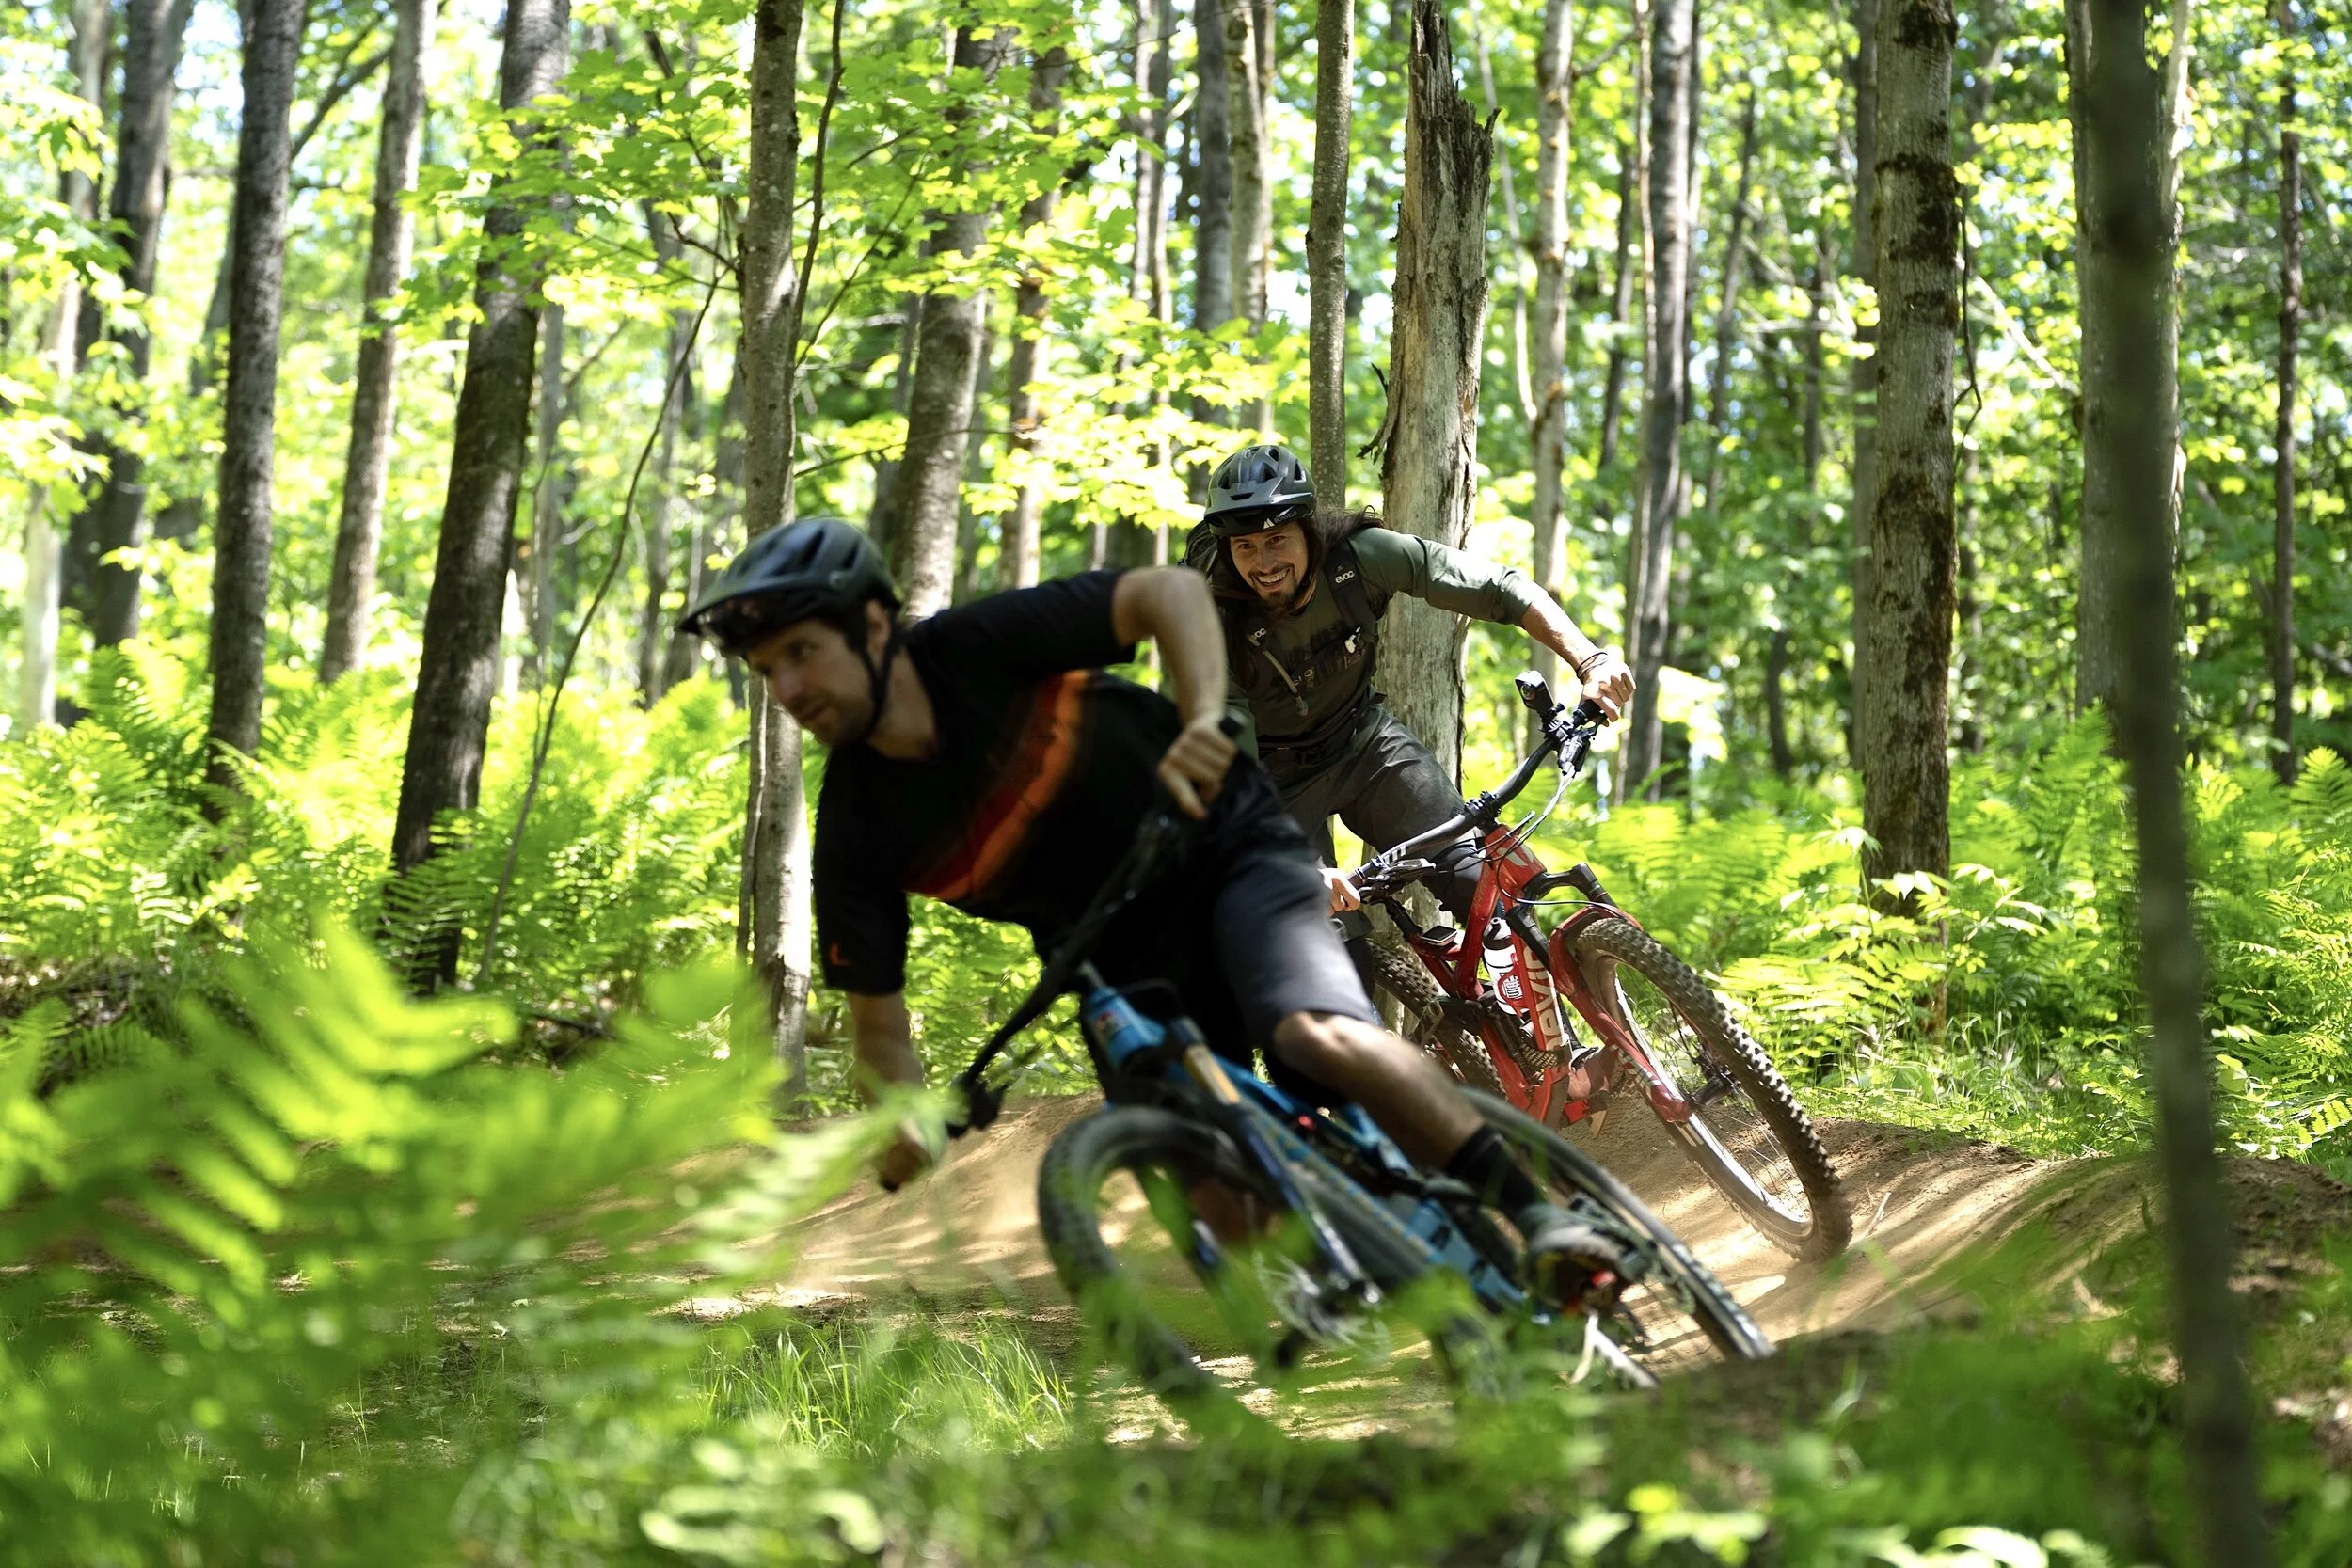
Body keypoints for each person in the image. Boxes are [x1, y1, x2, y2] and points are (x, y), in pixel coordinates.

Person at [679, 516, 1628, 1302]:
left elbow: (1166, 596)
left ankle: (1539, 1211)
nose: (789, 688)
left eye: (802, 651)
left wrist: (1209, 713)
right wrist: (907, 1111)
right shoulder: (855, 825)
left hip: (1223, 848)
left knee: (1314, 1032)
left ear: (875, 627)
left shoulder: (971, 645)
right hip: (1111, 954)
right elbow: (877, 1026)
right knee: (1209, 1187)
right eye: (768, 671)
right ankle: (1370, 1283)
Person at [1188, 442, 1634, 927]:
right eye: (1245, 546)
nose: (1263, 562)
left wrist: (1589, 659)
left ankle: (1527, 1002)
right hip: (1270, 784)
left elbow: (1497, 588)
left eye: (1277, 539)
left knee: (1481, 887)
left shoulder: (1359, 557)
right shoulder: (1209, 620)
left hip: (1363, 745)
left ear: (1309, 530)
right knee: (1330, 948)